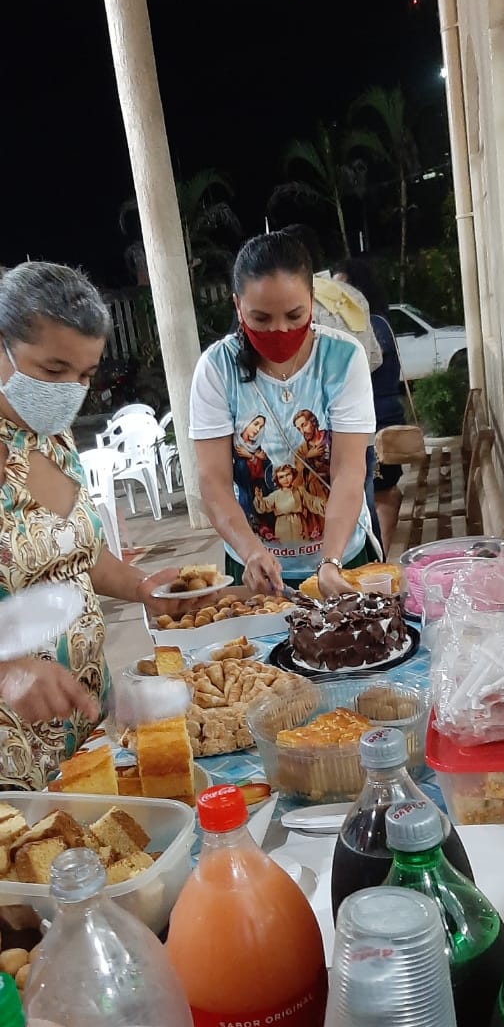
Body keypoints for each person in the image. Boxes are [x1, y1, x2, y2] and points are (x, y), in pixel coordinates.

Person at [0, 261, 187, 789]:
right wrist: (7, 671)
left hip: (79, 730)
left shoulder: (50, 440)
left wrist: (145, 588)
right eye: (53, 370)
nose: (70, 391)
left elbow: (79, 554)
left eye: (84, 374)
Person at [190, 231, 376, 596]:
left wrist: (330, 562)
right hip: (254, 565)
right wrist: (250, 551)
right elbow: (213, 480)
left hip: (342, 556)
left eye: (295, 315)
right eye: (261, 318)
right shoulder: (216, 368)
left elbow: (349, 470)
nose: (280, 330)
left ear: (312, 301)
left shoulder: (343, 359)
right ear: (238, 306)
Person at [282, 223, 383, 550]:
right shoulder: (351, 296)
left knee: (314, 522)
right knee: (364, 511)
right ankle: (376, 571)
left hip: (309, 438)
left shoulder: (289, 303)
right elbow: (374, 359)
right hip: (358, 429)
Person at [333, 256, 406, 560]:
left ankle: (381, 558)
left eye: (343, 288)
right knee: (382, 491)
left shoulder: (369, 325)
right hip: (382, 418)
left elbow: (358, 366)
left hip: (379, 424)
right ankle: (382, 556)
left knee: (379, 494)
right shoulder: (378, 322)